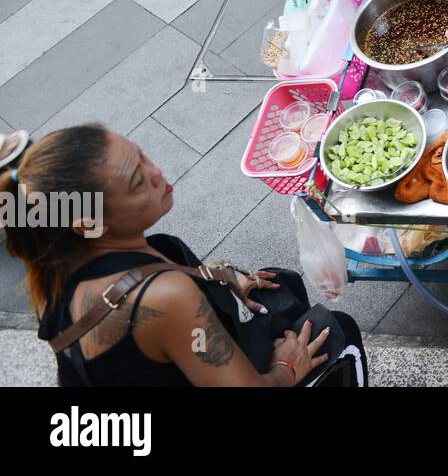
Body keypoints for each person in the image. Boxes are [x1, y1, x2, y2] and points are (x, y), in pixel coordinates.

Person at [4, 126, 366, 386]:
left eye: (142, 156)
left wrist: (222, 281)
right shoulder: (166, 297)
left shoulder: (56, 264)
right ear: (88, 222)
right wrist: (287, 365)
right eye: (136, 181)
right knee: (339, 330)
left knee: (278, 284)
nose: (156, 174)